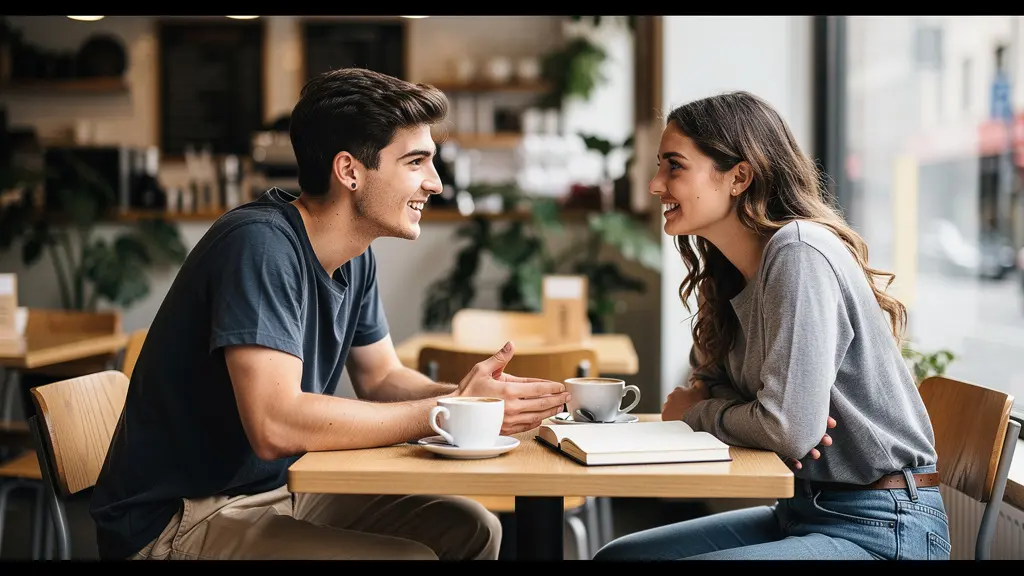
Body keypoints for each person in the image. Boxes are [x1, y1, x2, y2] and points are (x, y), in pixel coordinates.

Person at [89, 68, 571, 561]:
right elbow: (275, 424)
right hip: (178, 519)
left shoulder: (354, 255)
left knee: (472, 529)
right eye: (416, 162)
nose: (435, 182)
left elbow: (381, 377)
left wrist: (475, 399)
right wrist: (447, 410)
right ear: (350, 171)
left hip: (277, 492)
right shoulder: (259, 246)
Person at [593, 91, 949, 561]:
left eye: (674, 165)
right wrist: (744, 412)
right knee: (619, 558)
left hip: (884, 527)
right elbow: (730, 397)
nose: (656, 184)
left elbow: (782, 429)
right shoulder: (728, 272)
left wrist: (699, 413)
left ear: (739, 176)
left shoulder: (798, 252)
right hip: (802, 513)